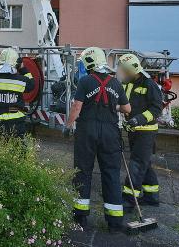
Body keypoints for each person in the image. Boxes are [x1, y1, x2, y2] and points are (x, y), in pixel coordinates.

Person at [65, 47, 131, 232]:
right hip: (110, 133)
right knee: (111, 173)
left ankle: (80, 217)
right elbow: (127, 109)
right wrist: (113, 105)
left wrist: (68, 126)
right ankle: (114, 222)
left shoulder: (85, 81)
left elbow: (77, 107)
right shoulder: (116, 83)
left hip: (87, 131)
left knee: (82, 171)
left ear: (89, 62)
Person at [117, 53, 164, 208]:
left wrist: (139, 119)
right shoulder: (127, 82)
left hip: (146, 131)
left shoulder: (149, 85)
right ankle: (152, 196)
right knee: (144, 162)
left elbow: (156, 108)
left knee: (136, 164)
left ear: (132, 70)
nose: (122, 73)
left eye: (124, 70)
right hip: (133, 130)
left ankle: (129, 199)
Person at [0, 47, 34, 138]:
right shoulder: (21, 81)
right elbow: (31, 84)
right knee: (16, 146)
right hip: (16, 122)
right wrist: (23, 68)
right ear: (17, 64)